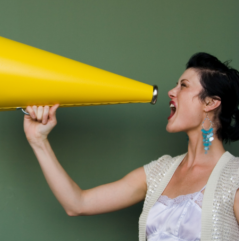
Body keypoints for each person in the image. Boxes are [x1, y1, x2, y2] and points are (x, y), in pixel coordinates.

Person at [23, 52, 239, 241]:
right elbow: (77, 203)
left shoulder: (235, 176)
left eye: (183, 86)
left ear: (210, 102)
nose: (171, 92)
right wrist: (38, 141)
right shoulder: (158, 172)